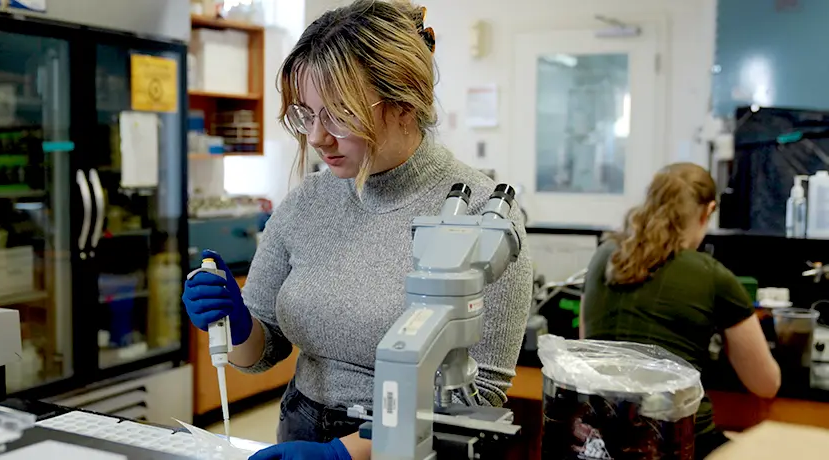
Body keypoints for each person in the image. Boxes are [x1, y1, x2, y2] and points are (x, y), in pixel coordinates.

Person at [181, 1, 533, 459]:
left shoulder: (484, 218)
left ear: (404, 103)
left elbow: (479, 395)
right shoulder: (307, 202)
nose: (317, 138)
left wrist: (347, 454)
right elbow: (259, 356)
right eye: (307, 114)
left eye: (339, 115)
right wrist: (237, 323)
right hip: (301, 431)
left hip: (405, 448)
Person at [580, 163, 781, 459]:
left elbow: (586, 349)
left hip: (600, 442)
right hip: (679, 445)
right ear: (707, 211)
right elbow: (765, 384)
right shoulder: (713, 275)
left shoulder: (601, 257)